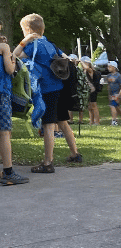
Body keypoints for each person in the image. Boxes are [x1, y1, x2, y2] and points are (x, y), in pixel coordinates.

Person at [14, 13, 82, 172]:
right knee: (63, 122)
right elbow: (66, 58)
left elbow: (14, 57)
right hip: (59, 88)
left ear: (28, 30)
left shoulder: (32, 46)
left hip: (46, 90)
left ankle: (47, 163)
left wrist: (24, 41)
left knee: (48, 125)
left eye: (23, 30)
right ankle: (75, 154)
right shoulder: (50, 44)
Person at [0, 32, 29, 185]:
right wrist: (12, 60)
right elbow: (10, 70)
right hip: (2, 93)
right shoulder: (3, 47)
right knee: (4, 133)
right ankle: (8, 172)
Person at [80, 55, 102, 125]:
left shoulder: (90, 70)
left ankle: (97, 121)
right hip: (86, 91)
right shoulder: (83, 71)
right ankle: (91, 121)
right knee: (89, 107)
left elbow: (87, 68)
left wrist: (81, 61)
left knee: (94, 106)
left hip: (92, 90)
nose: (82, 64)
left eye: (84, 63)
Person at [106, 60, 121, 125]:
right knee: (116, 107)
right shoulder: (108, 76)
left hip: (117, 93)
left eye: (110, 67)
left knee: (112, 106)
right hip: (111, 94)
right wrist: (109, 94)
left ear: (114, 67)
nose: (108, 68)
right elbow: (109, 85)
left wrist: (119, 94)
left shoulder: (118, 76)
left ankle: (114, 121)